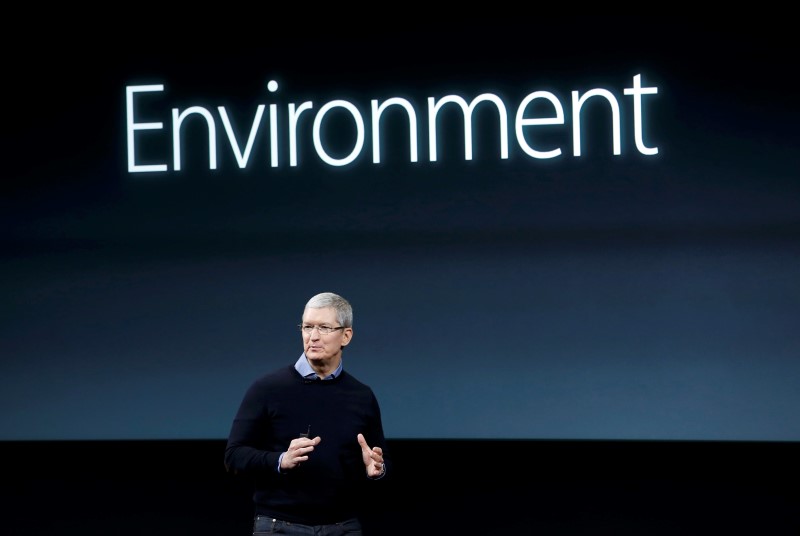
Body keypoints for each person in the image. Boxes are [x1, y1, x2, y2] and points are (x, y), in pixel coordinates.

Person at [224, 291, 390, 535]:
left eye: (324, 327)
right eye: (307, 327)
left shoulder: (361, 396)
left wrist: (377, 470)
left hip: (343, 527)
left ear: (346, 335)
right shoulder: (268, 388)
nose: (313, 336)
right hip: (279, 526)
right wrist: (281, 460)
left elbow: (380, 460)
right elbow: (234, 455)